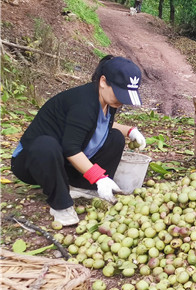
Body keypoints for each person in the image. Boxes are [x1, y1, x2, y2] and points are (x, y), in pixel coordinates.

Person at [11, 55, 147, 226]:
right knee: (46, 145)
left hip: (63, 162)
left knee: (115, 138)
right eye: (120, 94)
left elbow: (102, 124)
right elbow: (70, 149)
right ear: (103, 81)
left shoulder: (107, 101)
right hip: (32, 163)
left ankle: (80, 186)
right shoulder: (83, 104)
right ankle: (60, 204)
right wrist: (99, 177)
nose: (121, 101)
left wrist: (130, 131)